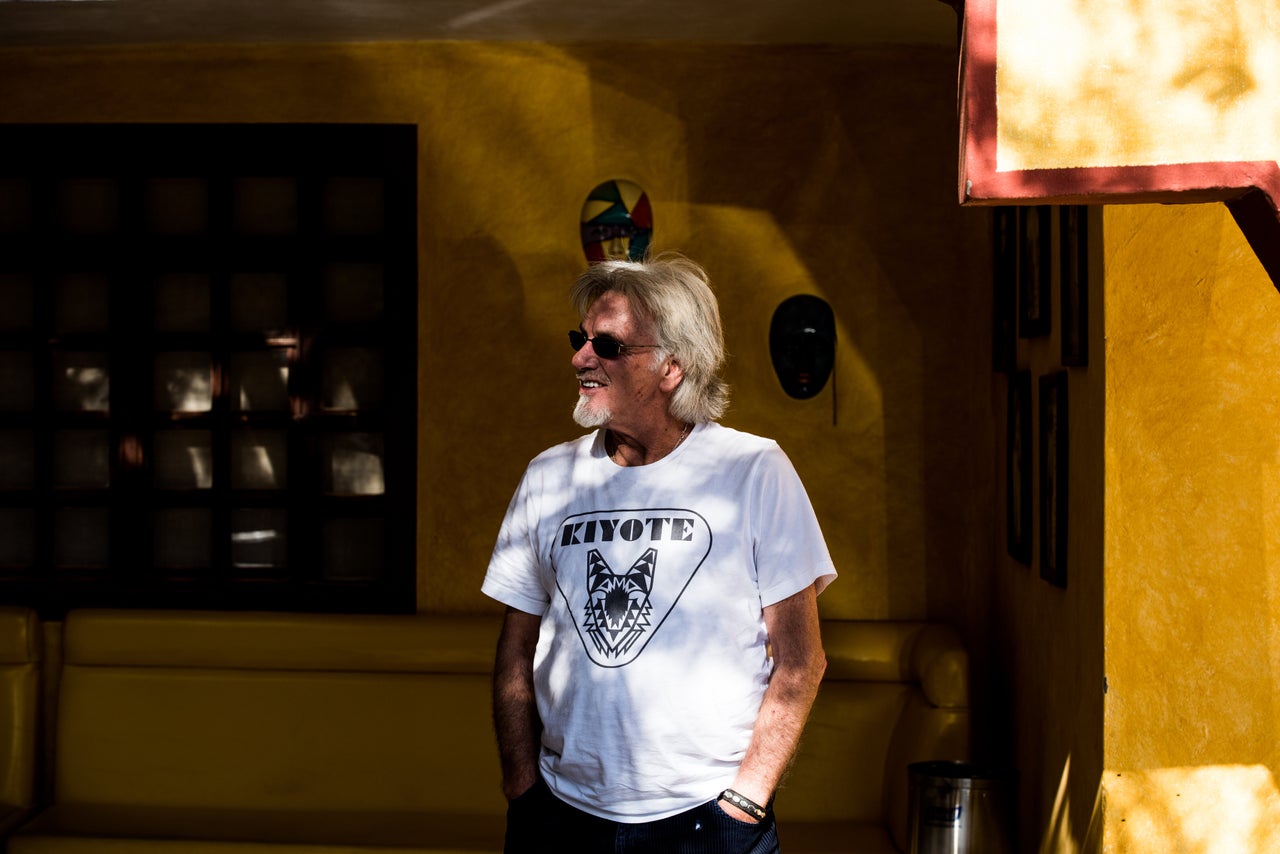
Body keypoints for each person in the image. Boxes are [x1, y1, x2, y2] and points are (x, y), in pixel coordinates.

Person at [482, 253, 837, 854]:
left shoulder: (754, 470)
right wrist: (522, 786)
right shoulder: (548, 476)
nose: (580, 357)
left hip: (706, 819)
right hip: (561, 817)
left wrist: (746, 802)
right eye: (580, 339)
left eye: (608, 345)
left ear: (673, 365)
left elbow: (802, 660)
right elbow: (516, 648)